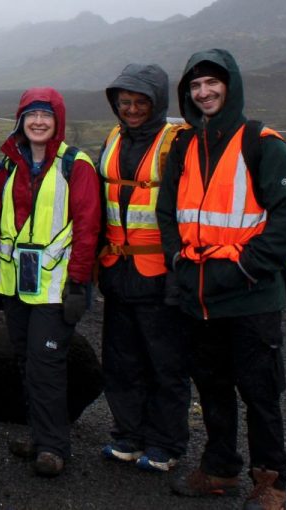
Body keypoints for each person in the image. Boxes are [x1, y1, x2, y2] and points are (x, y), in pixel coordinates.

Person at [157, 49, 286, 509]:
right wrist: (178, 260)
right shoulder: (182, 145)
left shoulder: (263, 143)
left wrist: (245, 267)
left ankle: (271, 481)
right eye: (195, 86)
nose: (203, 93)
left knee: (260, 391)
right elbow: (168, 212)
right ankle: (220, 469)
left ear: (231, 85)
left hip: (250, 296)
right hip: (198, 294)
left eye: (212, 83)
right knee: (212, 387)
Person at [0, 87, 100, 477]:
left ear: (58, 121)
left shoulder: (76, 165)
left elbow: (87, 228)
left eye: (46, 115)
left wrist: (79, 284)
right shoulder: (9, 164)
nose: (38, 122)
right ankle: (38, 436)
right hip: (17, 283)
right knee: (25, 361)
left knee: (46, 363)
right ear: (21, 120)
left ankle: (53, 447)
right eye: (31, 115)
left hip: (55, 286)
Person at [96, 64, 190, 472]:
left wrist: (179, 272)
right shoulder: (113, 138)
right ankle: (128, 436)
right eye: (125, 103)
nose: (131, 110)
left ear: (157, 103)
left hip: (160, 271)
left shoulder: (177, 142)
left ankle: (165, 444)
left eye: (139, 102)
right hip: (117, 269)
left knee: (165, 363)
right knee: (121, 360)